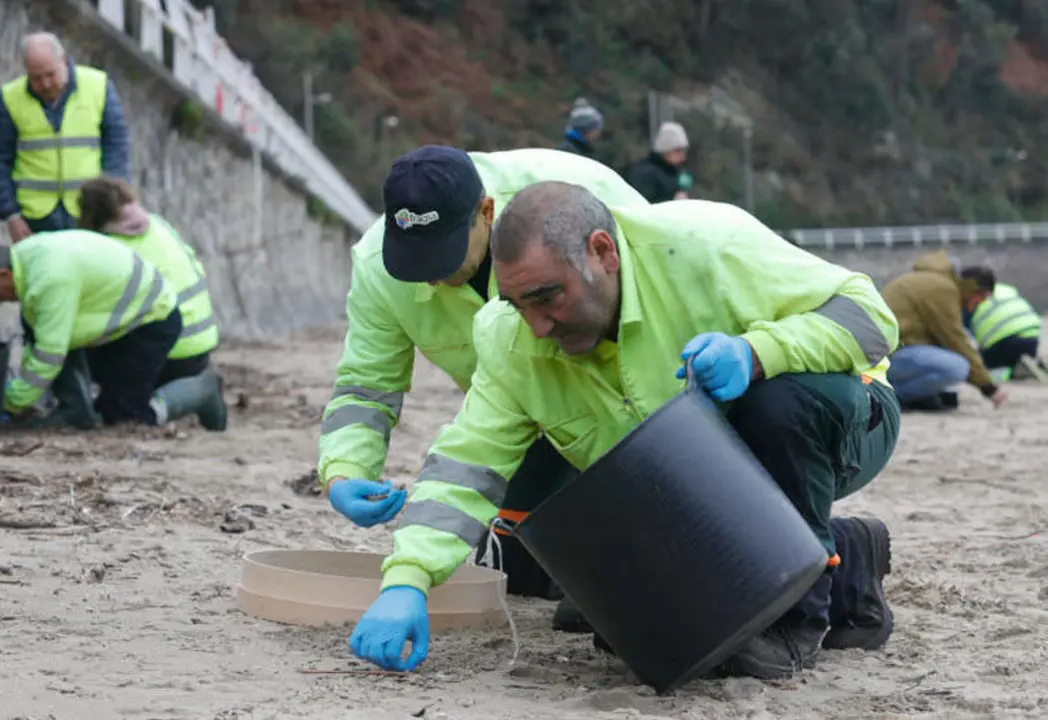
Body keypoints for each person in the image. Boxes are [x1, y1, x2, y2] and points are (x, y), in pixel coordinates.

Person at [348, 182, 901, 681]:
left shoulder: (703, 246)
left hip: (838, 419)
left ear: (602, 253)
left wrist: (757, 353)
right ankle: (850, 555)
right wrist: (408, 580)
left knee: (783, 401)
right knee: (625, 628)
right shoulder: (508, 336)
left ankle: (796, 616)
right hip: (683, 475)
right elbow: (469, 462)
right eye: (519, 306)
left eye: (548, 297)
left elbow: (871, 317)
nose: (538, 326)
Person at [319, 146, 649, 630]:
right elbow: (367, 384)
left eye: (444, 256)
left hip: (621, 391)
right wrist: (345, 469)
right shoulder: (376, 268)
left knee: (608, 595)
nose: (432, 274)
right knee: (516, 576)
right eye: (415, 260)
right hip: (516, 409)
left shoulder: (569, 204)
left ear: (486, 212)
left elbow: (653, 310)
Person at [0, 231, 179, 427]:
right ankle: (77, 411)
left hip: (151, 323)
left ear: (4, 274)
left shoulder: (49, 279)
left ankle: (197, 392)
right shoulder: (26, 259)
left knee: (124, 416)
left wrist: (7, 402)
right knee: (34, 325)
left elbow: (50, 354)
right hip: (122, 323)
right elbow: (42, 339)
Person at [77, 177, 228, 430]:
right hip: (198, 345)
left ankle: (200, 390)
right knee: (112, 404)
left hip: (170, 352)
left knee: (127, 415)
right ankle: (195, 387)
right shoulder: (159, 224)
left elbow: (99, 320)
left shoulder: (110, 248)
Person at [0, 32, 131, 242]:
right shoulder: (8, 100)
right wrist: (11, 215)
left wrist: (112, 202)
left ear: (63, 59)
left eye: (50, 74)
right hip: (34, 219)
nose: (45, 84)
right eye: (36, 78)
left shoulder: (98, 87)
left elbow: (117, 148)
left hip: (89, 213)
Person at [881, 251, 1008, 411]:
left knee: (961, 346)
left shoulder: (932, 281)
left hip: (890, 349)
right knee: (957, 367)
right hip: (887, 356)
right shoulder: (943, 289)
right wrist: (988, 387)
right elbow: (955, 341)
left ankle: (932, 395)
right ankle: (893, 396)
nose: (976, 306)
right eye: (981, 299)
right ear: (974, 290)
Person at [958, 266, 1044, 381]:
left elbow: (958, 332)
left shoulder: (969, 297)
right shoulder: (1005, 289)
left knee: (976, 368)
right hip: (1033, 338)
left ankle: (1012, 373)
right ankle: (1031, 365)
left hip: (1002, 341)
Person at [625, 121, 691, 204]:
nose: (682, 157)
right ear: (666, 150)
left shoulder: (675, 171)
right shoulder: (645, 174)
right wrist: (672, 202)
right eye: (678, 151)